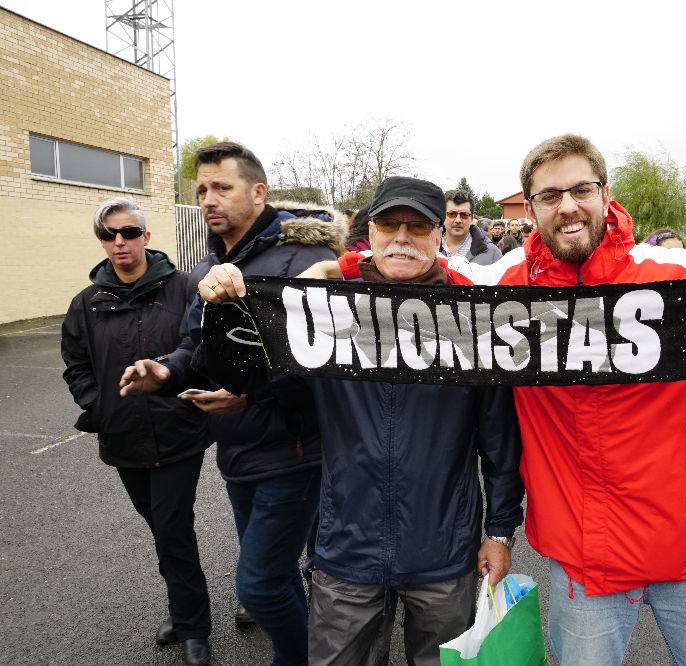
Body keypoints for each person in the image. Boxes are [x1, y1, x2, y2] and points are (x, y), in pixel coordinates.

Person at [299, 134, 686, 665]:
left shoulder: (678, 275)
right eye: (549, 196)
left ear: (605, 194)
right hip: (582, 563)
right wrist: (336, 272)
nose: (568, 207)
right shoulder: (503, 287)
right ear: (531, 209)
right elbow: (411, 273)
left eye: (581, 190)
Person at [196, 176, 525, 666]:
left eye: (418, 227)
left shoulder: (474, 321)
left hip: (444, 553)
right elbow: (262, 378)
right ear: (368, 230)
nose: (402, 238)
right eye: (390, 223)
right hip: (347, 551)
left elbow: (500, 442)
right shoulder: (324, 309)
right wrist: (222, 308)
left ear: (440, 235)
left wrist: (499, 532)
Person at [119, 142, 343, 666]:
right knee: (277, 574)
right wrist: (165, 372)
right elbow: (195, 347)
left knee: (260, 586)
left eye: (222, 187)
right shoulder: (209, 266)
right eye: (201, 190)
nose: (208, 199)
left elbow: (324, 364)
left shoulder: (306, 260)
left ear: (258, 191)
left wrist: (250, 392)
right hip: (239, 449)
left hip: (296, 448)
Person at [61, 198, 213, 666]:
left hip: (177, 432)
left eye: (128, 232)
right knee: (160, 528)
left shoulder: (183, 288)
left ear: (146, 236)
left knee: (171, 528)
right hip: (123, 437)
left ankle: (193, 626)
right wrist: (100, 406)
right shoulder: (87, 304)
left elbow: (201, 346)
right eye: (109, 235)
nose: (119, 242)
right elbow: (77, 365)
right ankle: (183, 610)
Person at [440, 188, 502, 265]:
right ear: (443, 216)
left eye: (464, 215)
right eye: (452, 214)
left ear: (472, 218)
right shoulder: (429, 249)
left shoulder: (492, 253)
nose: (458, 220)